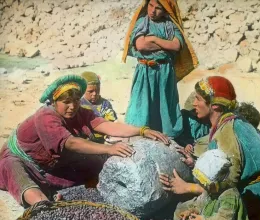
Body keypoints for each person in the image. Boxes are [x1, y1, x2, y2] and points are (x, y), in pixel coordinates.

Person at [0, 75, 169, 208]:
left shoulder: (81, 112)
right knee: (17, 174)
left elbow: (106, 126)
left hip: (51, 164)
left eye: (75, 101)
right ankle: (44, 206)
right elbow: (71, 143)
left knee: (95, 164)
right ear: (54, 102)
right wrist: (108, 149)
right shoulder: (46, 116)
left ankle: (58, 191)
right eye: (66, 102)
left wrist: (142, 130)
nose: (72, 107)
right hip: (20, 158)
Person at [160, 76, 260, 220]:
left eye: (198, 99)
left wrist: (186, 187)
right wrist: (196, 164)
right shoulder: (228, 122)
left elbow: (230, 184)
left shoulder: (227, 132)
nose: (194, 103)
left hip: (258, 197)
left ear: (214, 106)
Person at [122, 0, 198, 138]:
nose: (153, 11)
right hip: (145, 71)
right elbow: (141, 45)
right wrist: (165, 45)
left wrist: (154, 39)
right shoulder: (142, 22)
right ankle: (139, 133)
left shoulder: (170, 25)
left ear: (166, 10)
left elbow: (176, 46)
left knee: (165, 105)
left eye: (158, 8)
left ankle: (167, 136)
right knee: (142, 104)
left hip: (165, 71)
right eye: (151, 6)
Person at [80, 71, 118, 142]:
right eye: (90, 91)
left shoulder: (105, 104)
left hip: (104, 137)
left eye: (97, 90)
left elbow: (111, 121)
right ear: (82, 90)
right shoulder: (79, 105)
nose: (94, 94)